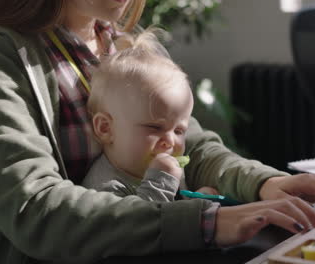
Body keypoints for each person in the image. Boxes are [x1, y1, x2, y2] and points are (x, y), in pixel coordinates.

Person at [0, 0, 315, 263]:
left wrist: (265, 184)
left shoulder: (126, 43)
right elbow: (34, 210)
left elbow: (192, 149)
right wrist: (206, 221)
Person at [82, 28, 218, 200]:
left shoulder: (166, 169)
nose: (169, 141)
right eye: (155, 127)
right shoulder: (104, 189)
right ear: (105, 128)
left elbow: (176, 213)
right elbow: (145, 223)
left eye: (179, 131)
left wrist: (195, 200)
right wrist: (161, 182)